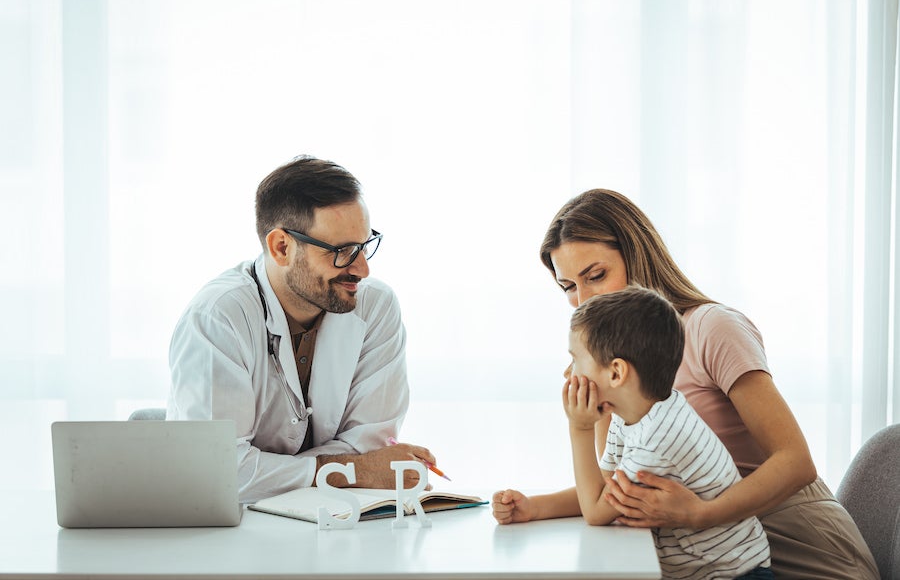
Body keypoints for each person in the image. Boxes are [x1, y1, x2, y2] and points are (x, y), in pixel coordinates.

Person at [492, 189, 879, 579]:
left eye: (595, 276)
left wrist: (700, 514)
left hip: (797, 545)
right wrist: (536, 505)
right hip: (716, 555)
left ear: (636, 254)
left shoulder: (711, 328)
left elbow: (796, 463)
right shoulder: (618, 366)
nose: (583, 300)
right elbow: (622, 491)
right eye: (569, 287)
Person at [168, 155, 434, 504]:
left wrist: (268, 471)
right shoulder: (218, 317)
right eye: (342, 251)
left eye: (365, 245)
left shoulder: (376, 306)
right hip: (232, 534)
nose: (362, 270)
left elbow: (369, 443)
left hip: (336, 520)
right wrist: (355, 470)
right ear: (282, 247)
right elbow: (215, 474)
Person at [565, 286, 772, 579]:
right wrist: (532, 509)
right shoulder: (635, 415)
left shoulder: (658, 438)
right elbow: (605, 487)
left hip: (735, 575)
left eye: (576, 360)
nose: (570, 374)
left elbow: (597, 512)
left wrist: (580, 428)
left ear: (616, 373)